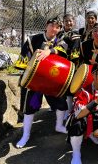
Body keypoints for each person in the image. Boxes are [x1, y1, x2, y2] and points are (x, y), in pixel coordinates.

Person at [14, 16, 69, 148]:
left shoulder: (60, 40)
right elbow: (24, 62)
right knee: (29, 108)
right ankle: (25, 134)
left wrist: (49, 51)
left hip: (52, 80)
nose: (54, 29)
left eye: (58, 27)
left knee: (61, 103)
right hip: (35, 81)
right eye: (52, 25)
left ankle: (59, 125)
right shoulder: (33, 39)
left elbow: (63, 50)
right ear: (46, 25)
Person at [66, 63, 98, 164]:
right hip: (84, 118)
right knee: (77, 124)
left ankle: (92, 134)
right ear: (93, 75)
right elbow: (79, 114)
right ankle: (76, 153)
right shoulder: (84, 91)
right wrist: (95, 102)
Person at [57, 14, 81, 119]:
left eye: (70, 21)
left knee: (69, 89)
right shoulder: (59, 34)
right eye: (66, 21)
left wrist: (70, 63)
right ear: (63, 22)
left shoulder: (75, 34)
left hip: (70, 65)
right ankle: (60, 108)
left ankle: (69, 110)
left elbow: (75, 52)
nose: (68, 23)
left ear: (74, 22)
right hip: (58, 63)